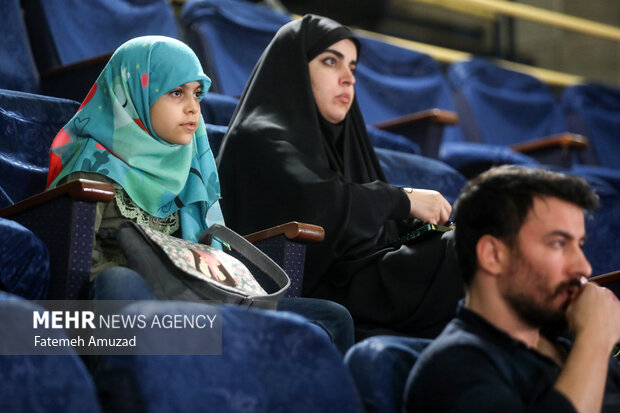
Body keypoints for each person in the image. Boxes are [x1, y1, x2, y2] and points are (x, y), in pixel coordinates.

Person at [46, 35, 353, 353]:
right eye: (177, 92)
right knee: (120, 280)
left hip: (198, 296)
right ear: (132, 93)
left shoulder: (191, 162)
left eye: (197, 94)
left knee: (331, 317)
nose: (193, 107)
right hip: (137, 302)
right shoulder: (93, 165)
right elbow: (75, 256)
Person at [216, 14, 464, 339]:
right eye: (331, 61)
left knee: (471, 242)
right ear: (295, 69)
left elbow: (385, 226)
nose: (348, 78)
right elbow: (316, 203)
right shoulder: (258, 136)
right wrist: (402, 199)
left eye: (353, 67)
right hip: (320, 282)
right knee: (466, 253)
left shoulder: (346, 138)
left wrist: (425, 227)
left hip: (366, 273)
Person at [404, 165, 620, 412]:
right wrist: (596, 339)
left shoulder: (568, 341)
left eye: (579, 244)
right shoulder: (454, 368)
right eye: (559, 243)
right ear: (493, 255)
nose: (584, 266)